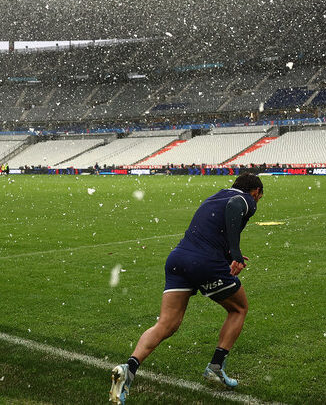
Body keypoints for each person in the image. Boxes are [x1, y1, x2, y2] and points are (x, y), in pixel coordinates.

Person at [109, 173, 264, 404]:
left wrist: (226, 252)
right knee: (239, 309)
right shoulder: (244, 199)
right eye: (259, 198)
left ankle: (128, 368)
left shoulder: (215, 197)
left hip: (178, 259)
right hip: (203, 262)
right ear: (255, 193)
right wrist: (236, 253)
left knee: (167, 324)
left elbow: (209, 230)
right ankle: (216, 366)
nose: (257, 203)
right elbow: (234, 208)